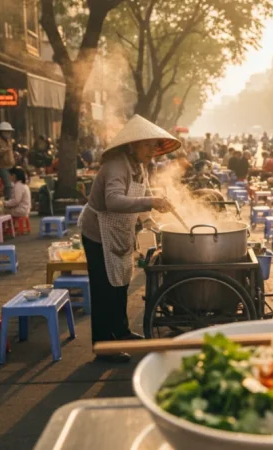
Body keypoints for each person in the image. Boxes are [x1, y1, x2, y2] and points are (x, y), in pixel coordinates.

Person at [77, 115, 179, 363]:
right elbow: (113, 201)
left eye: (154, 146)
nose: (152, 151)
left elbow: (141, 195)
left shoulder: (139, 166)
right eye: (147, 145)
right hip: (98, 233)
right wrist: (151, 201)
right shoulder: (116, 165)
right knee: (103, 291)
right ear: (133, 144)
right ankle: (104, 348)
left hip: (120, 232)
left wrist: (149, 220)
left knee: (120, 284)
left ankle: (121, 332)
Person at [0, 122, 16, 199]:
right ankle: (8, 201)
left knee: (12, 185)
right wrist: (0, 153)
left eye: (9, 131)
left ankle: (11, 199)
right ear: (1, 132)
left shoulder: (9, 141)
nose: (8, 133)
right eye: (5, 131)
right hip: (2, 167)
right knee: (8, 185)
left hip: (10, 165)